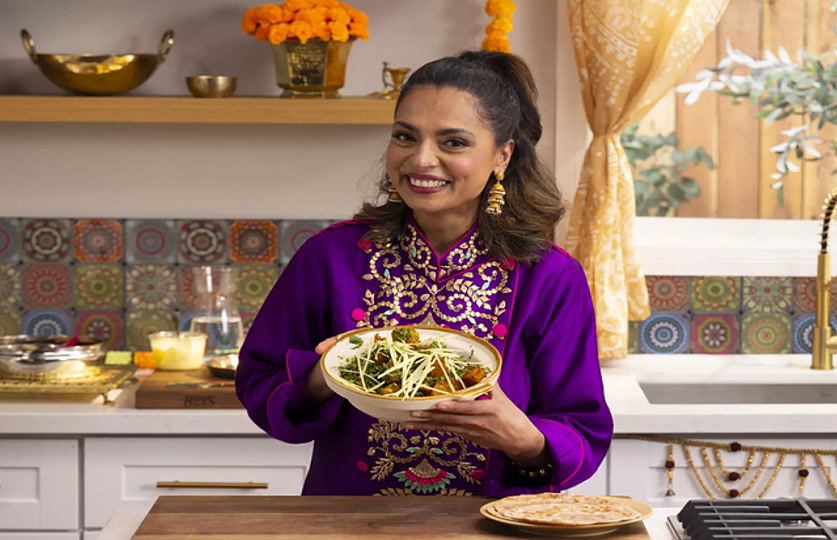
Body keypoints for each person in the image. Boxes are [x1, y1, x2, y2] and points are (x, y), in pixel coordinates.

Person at [236, 49, 613, 497]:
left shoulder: (549, 276)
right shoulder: (330, 256)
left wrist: (525, 440)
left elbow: (581, 427)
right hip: (348, 522)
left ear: (502, 155)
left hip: (494, 525)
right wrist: (324, 374)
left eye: (453, 142)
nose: (420, 160)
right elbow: (260, 380)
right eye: (405, 136)